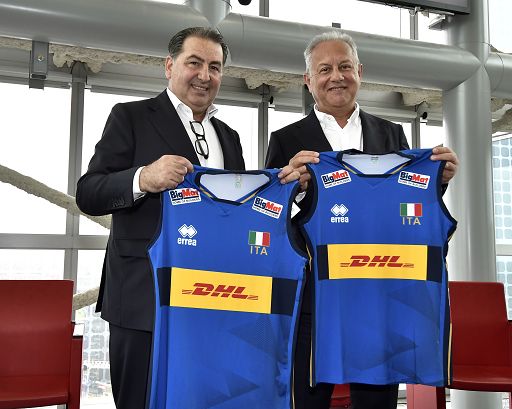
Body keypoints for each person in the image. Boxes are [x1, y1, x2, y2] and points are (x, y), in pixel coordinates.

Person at [265, 31, 459, 409]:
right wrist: (289, 188)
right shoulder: (286, 139)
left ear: (360, 72)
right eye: (324, 69)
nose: (336, 76)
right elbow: (270, 220)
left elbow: (406, 204)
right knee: (307, 398)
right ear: (308, 79)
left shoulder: (392, 133)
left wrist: (438, 182)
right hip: (314, 295)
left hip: (379, 291)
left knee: (376, 400)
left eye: (344, 67)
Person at [76, 27, 245, 409]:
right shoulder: (130, 117)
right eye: (194, 63)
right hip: (143, 301)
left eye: (215, 67)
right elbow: (89, 192)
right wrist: (143, 178)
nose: (205, 75)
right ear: (170, 66)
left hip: (211, 299)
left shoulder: (229, 136)